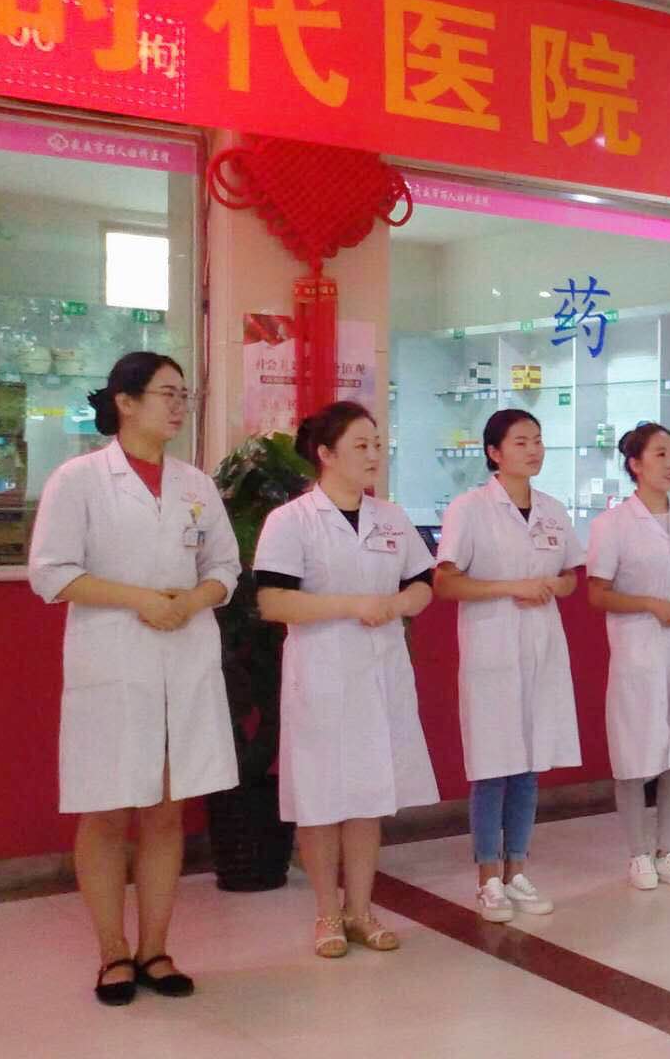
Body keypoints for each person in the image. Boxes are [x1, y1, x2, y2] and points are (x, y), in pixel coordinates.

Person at [28, 352, 239, 1006]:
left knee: (166, 810)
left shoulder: (196, 484)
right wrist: (141, 599)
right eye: (166, 393)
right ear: (125, 401)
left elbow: (226, 567)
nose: (178, 406)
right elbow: (51, 572)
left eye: (184, 395)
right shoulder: (80, 479)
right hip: (114, 659)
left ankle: (155, 948)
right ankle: (112, 953)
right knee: (105, 809)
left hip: (184, 654)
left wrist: (193, 599)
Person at [254, 401, 438, 958]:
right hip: (321, 673)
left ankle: (360, 910)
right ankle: (326, 914)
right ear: (326, 455)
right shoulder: (291, 521)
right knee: (320, 796)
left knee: (368, 794)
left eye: (377, 444)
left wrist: (399, 603)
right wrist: (352, 605)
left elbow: (423, 584)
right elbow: (273, 601)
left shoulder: (392, 518)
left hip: (380, 671)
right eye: (360, 445)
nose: (373, 454)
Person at [433, 410, 582, 922]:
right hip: (492, 648)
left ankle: (518, 868)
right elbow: (445, 582)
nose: (533, 450)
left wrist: (555, 585)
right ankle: (487, 878)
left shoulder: (552, 510)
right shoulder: (470, 509)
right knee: (492, 764)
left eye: (538, 440)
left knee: (529, 762)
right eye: (521, 442)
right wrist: (511, 587)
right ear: (494, 453)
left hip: (541, 645)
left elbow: (571, 576)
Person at [586, 423, 670, 892]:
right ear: (635, 464)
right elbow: (597, 593)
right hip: (638, 644)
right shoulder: (612, 525)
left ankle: (669, 851)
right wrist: (649, 604)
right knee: (635, 749)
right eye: (660, 454)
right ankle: (638, 853)